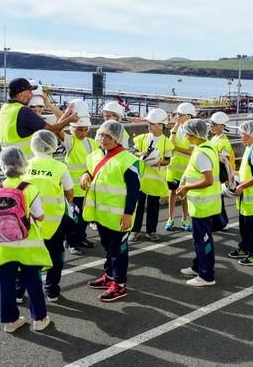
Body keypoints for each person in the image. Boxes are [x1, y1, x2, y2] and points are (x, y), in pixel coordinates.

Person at [0, 146, 52, 333]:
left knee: (6, 285)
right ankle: (40, 319)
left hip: (3, 246)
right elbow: (40, 215)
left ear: (2, 165)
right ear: (22, 164)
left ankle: (10, 322)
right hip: (28, 246)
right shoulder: (29, 189)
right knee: (33, 282)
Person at [82, 121, 142, 302]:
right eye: (102, 135)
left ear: (117, 139)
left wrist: (128, 213)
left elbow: (134, 190)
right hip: (101, 214)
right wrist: (86, 174)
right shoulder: (95, 156)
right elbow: (91, 171)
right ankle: (109, 276)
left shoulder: (129, 161)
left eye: (109, 137)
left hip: (119, 216)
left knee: (118, 251)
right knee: (108, 248)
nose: (104, 139)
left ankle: (120, 284)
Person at [22, 130, 74, 302]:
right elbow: (69, 192)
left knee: (26, 256)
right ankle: (51, 290)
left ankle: (18, 291)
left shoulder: (25, 165)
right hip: (54, 221)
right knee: (55, 256)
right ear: (53, 146)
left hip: (29, 221)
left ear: (33, 145)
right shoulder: (60, 167)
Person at [176, 119, 222, 287]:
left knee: (203, 239)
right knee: (199, 238)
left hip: (203, 203)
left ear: (193, 135)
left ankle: (206, 275)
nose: (186, 137)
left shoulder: (202, 153)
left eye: (187, 134)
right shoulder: (205, 147)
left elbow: (208, 180)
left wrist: (187, 187)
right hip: (203, 203)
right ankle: (198, 266)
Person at [0, 78, 77, 159]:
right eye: (29, 92)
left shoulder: (5, 107)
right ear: (20, 95)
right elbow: (53, 129)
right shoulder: (24, 112)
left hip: (9, 162)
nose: (31, 95)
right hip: (25, 164)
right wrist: (70, 119)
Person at [131, 108, 174, 242]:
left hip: (156, 179)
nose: (149, 126)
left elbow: (168, 160)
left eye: (152, 124)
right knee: (138, 206)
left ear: (161, 125)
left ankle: (151, 231)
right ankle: (135, 230)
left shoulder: (166, 142)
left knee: (153, 207)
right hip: (142, 178)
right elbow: (135, 152)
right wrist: (141, 154)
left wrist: (159, 162)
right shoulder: (142, 138)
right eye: (149, 123)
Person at [228, 120, 253, 266]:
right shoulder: (249, 147)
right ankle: (244, 248)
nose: (240, 136)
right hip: (246, 198)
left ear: (250, 134)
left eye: (242, 133)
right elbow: (247, 171)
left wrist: (242, 186)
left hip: (252, 198)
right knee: (244, 226)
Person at [63, 103, 98, 255]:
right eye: (79, 129)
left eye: (85, 130)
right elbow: (57, 129)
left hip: (87, 188)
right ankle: (71, 242)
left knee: (85, 216)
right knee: (75, 218)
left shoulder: (93, 143)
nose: (83, 133)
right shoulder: (70, 141)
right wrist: (66, 115)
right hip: (73, 189)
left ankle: (81, 237)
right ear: (73, 129)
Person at [165, 102, 197, 232]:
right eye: (177, 114)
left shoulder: (192, 131)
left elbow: (191, 151)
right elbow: (169, 145)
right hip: (173, 168)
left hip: (187, 168)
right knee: (172, 193)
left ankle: (185, 219)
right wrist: (174, 129)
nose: (177, 116)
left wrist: (175, 148)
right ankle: (170, 218)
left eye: (180, 114)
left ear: (189, 116)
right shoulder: (175, 129)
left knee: (184, 195)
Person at [209, 111, 235, 231]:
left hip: (220, 173)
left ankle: (220, 223)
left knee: (218, 199)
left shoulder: (223, 141)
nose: (210, 126)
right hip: (215, 172)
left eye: (213, 124)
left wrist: (229, 179)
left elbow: (226, 161)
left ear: (221, 126)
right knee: (216, 199)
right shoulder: (215, 138)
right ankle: (219, 223)